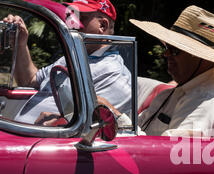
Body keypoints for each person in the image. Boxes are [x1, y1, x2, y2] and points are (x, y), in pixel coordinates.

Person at [114, 5, 214, 138]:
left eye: (174, 50)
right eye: (167, 47)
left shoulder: (206, 102)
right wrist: (113, 117)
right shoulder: (174, 93)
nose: (165, 54)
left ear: (202, 57)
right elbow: (140, 129)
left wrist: (116, 117)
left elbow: (167, 154)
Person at [3, 0, 131, 124]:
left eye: (79, 18)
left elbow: (97, 124)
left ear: (102, 25)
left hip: (49, 140)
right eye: (70, 17)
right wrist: (21, 43)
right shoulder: (75, 55)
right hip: (24, 134)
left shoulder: (114, 73)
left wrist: (60, 122)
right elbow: (30, 80)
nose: (70, 24)